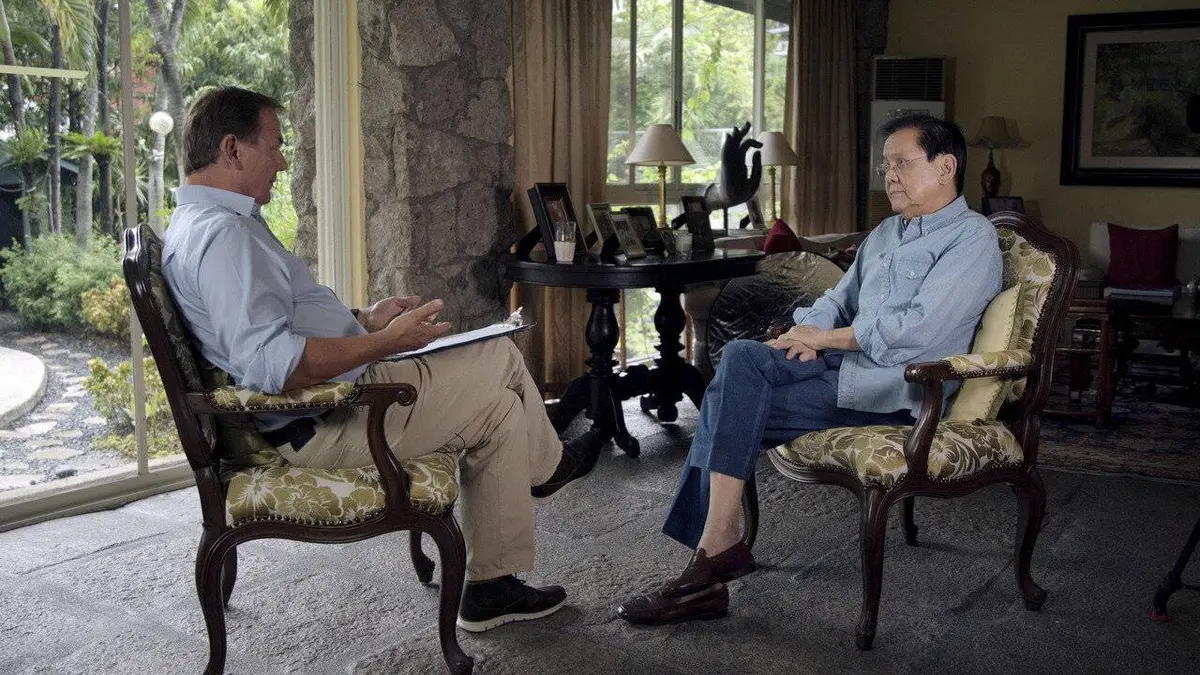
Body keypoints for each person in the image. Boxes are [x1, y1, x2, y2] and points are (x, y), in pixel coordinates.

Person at [162, 86, 601, 633]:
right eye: (274, 146)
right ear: (232, 149)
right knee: (496, 353)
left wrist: (364, 319)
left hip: (331, 402)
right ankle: (549, 468)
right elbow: (277, 364)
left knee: (501, 409)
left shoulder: (202, 224)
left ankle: (492, 588)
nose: (281, 162)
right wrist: (386, 342)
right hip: (328, 420)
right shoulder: (224, 237)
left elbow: (271, 326)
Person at [617, 114, 1003, 625]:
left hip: (895, 390)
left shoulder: (972, 239)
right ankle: (717, 550)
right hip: (839, 365)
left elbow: (919, 332)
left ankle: (711, 560)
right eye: (885, 166)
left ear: (945, 167)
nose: (889, 176)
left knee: (725, 401)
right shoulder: (887, 232)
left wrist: (822, 339)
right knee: (741, 357)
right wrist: (806, 332)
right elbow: (837, 299)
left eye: (901, 164)